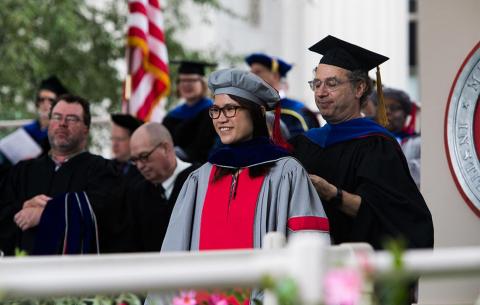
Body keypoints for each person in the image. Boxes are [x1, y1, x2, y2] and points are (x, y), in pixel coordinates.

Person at [290, 35, 433, 250]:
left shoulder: (376, 145)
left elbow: (393, 218)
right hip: (310, 264)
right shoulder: (305, 144)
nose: (320, 93)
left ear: (359, 89)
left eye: (332, 83)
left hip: (357, 268)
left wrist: (332, 193)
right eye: (316, 84)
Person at [0, 94, 126, 255]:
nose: (62, 124)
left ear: (86, 129)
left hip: (76, 274)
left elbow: (107, 213)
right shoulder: (23, 171)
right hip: (24, 272)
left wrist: (48, 214)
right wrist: (23, 207)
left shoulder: (102, 170)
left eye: (72, 119)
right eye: (57, 117)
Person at [127, 122, 198, 252]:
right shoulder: (137, 194)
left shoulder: (200, 182)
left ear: (165, 148)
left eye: (144, 157)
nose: (139, 166)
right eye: (134, 160)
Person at [245, 53, 320, 137]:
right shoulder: (249, 109)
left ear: (275, 76)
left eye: (258, 72)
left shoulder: (296, 112)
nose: (251, 77)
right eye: (250, 73)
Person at [162, 60, 218, 163]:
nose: (186, 85)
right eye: (182, 80)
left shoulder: (213, 112)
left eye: (192, 80)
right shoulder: (171, 116)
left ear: (203, 83)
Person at [372, 87, 421, 188]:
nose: (387, 112)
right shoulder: (368, 141)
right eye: (382, 108)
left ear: (405, 114)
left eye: (394, 108)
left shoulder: (418, 142)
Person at [23, 76, 69, 154]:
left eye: (51, 100)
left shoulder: (63, 131)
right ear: (37, 102)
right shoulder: (28, 130)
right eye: (42, 100)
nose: (45, 104)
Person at [110, 113, 143, 178]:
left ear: (133, 139)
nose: (115, 144)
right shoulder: (106, 169)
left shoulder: (144, 170)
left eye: (119, 139)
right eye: (113, 139)